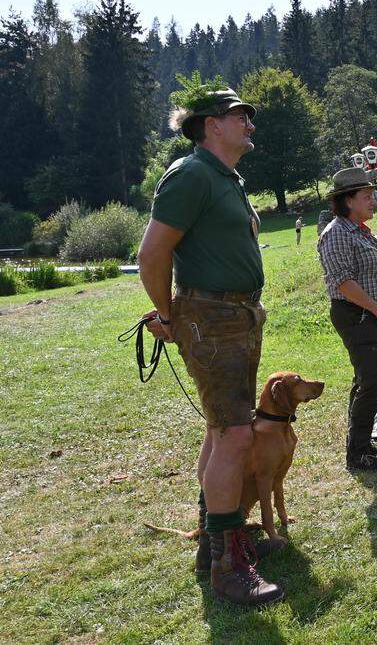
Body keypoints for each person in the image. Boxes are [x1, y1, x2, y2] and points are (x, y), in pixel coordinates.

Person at [136, 85, 282, 605]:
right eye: (240, 115)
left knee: (221, 432)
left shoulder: (225, 177)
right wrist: (172, 314)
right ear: (209, 124)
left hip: (236, 313)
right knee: (235, 437)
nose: (250, 124)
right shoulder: (192, 174)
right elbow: (152, 254)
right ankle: (227, 565)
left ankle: (216, 543)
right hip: (212, 317)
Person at [317, 167, 377, 471]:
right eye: (367, 196)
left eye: (373, 195)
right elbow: (343, 282)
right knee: (373, 381)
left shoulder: (365, 232)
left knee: (366, 380)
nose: (374, 200)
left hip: (375, 312)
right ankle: (357, 454)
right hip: (356, 314)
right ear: (348, 200)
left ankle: (362, 443)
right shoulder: (336, 233)